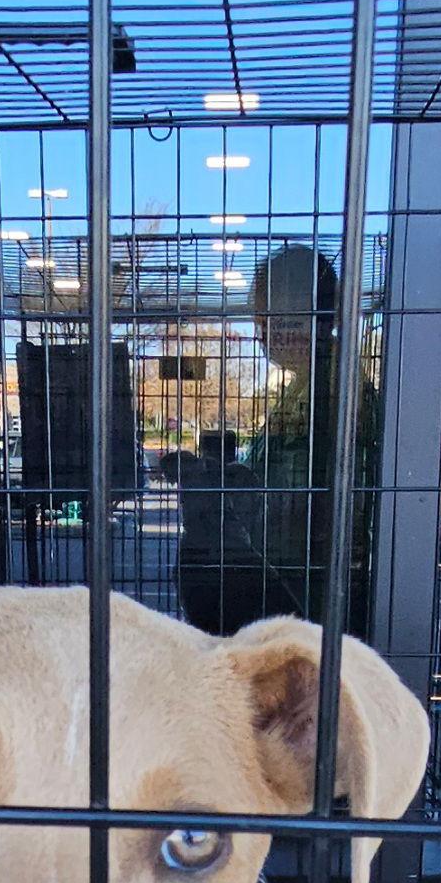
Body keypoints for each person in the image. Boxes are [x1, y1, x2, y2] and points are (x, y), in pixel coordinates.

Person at [171, 245, 377, 639]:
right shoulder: (314, 382)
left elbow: (296, 510)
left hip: (302, 599)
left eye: (267, 318)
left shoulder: (327, 392)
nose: (261, 331)